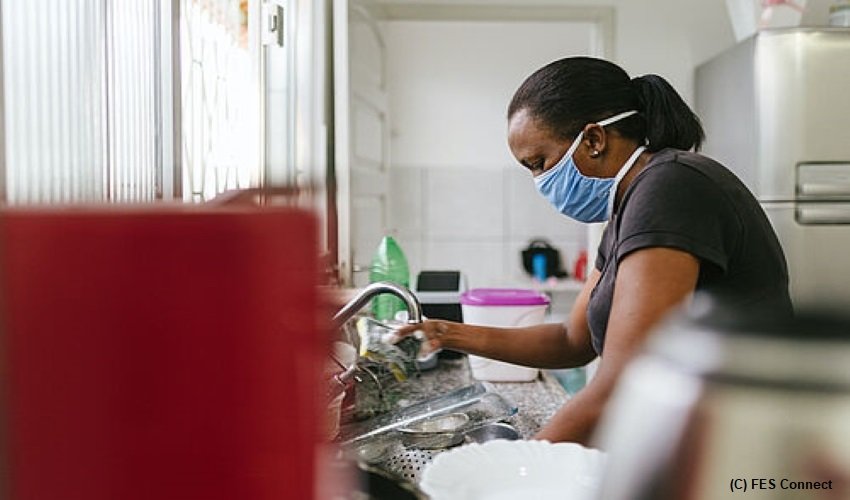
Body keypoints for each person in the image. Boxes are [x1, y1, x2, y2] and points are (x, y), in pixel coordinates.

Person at [397, 56, 793, 444]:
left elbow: (623, 383)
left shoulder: (670, 189)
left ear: (593, 139)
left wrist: (518, 471)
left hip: (742, 447)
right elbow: (572, 340)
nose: (540, 180)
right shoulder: (630, 204)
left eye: (539, 162)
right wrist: (444, 332)